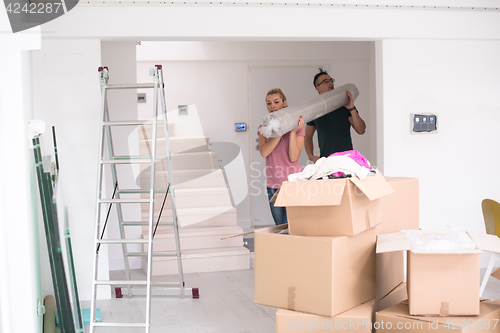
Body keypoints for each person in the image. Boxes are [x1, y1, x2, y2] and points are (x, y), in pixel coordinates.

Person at [258, 88, 305, 225]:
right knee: (280, 227)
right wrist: (278, 133)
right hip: (273, 185)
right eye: (268, 103)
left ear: (284, 103)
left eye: (276, 102)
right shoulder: (263, 128)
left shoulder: (297, 126)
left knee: (291, 226)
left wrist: (292, 132)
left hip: (293, 183)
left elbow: (293, 157)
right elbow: (264, 152)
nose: (272, 106)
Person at [305, 70, 366, 163]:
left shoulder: (344, 105)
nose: (330, 83)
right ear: (318, 88)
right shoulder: (315, 109)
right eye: (326, 81)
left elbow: (361, 130)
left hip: (347, 159)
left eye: (331, 80)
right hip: (327, 160)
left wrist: (352, 109)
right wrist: (311, 156)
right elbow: (308, 136)